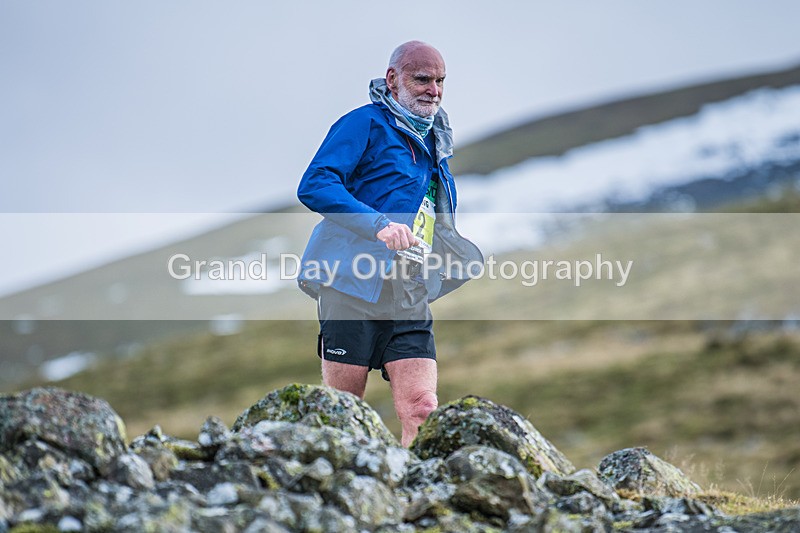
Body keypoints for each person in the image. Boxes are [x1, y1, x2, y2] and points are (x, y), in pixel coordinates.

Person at [296, 41, 482, 446]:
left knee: (422, 406)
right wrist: (377, 225)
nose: (433, 89)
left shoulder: (436, 141)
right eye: (423, 79)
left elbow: (429, 215)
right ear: (393, 79)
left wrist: (454, 256)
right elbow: (315, 184)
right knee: (343, 411)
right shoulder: (364, 123)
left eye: (440, 81)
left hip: (408, 290)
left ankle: (413, 499)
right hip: (350, 284)